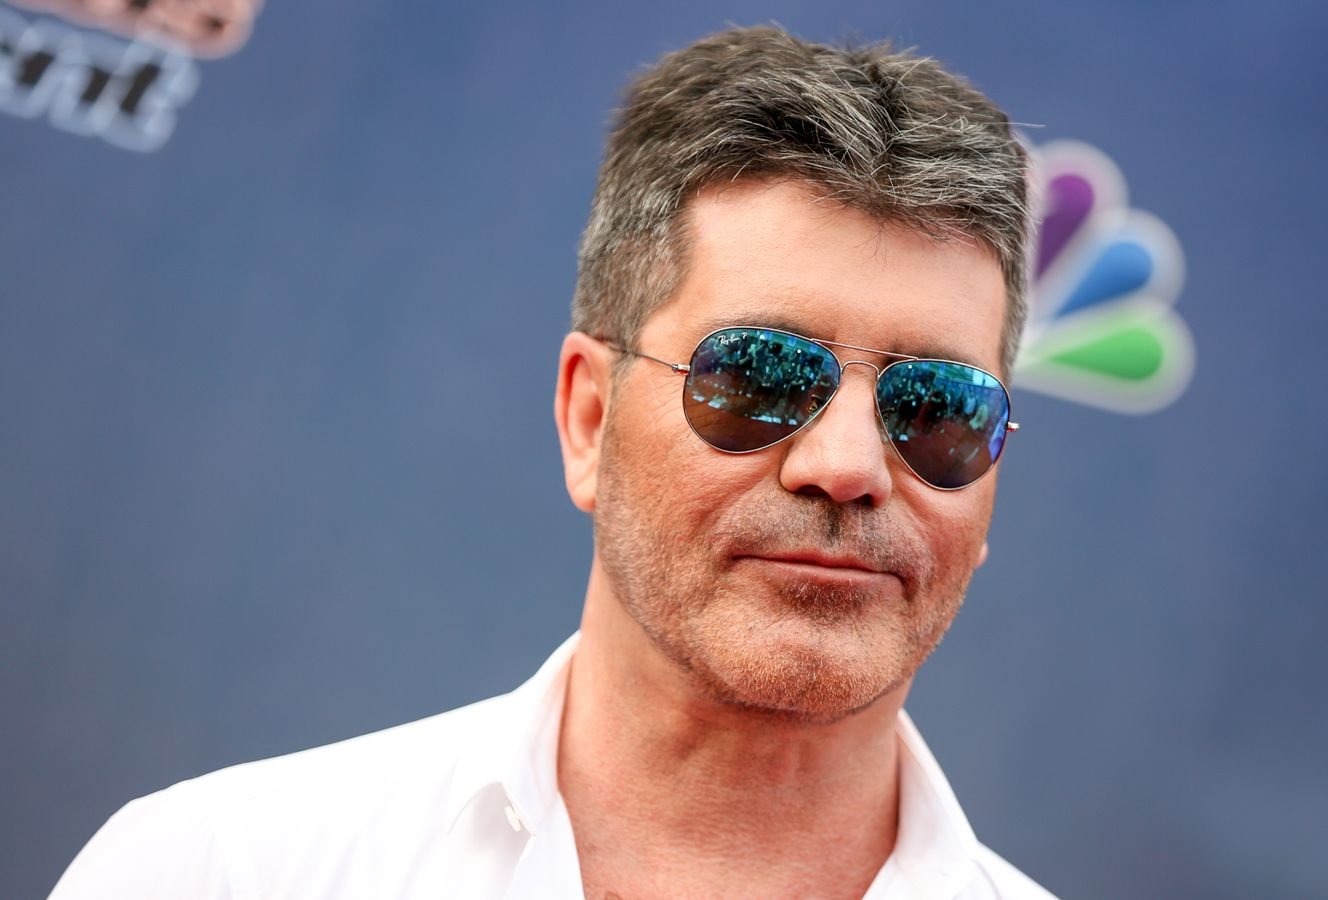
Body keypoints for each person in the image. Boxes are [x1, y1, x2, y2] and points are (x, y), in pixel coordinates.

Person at [50, 25, 1054, 899]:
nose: (846, 465)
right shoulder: (216, 871)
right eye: (760, 375)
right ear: (588, 416)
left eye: (936, 409)